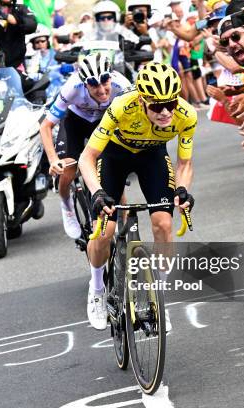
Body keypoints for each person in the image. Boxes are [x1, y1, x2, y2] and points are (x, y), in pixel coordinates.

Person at [78, 62, 197, 329]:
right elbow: (87, 156)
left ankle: (159, 299)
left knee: (164, 224)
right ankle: (96, 288)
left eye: (171, 104)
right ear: (142, 100)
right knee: (104, 231)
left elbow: (184, 164)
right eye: (156, 106)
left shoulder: (186, 115)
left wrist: (182, 189)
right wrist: (97, 193)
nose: (166, 112)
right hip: (114, 157)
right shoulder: (121, 106)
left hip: (151, 157)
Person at [39, 53, 131, 240]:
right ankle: (67, 206)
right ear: (84, 83)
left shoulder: (122, 85)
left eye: (104, 80)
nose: (101, 89)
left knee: (112, 170)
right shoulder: (71, 88)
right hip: (75, 121)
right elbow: (46, 126)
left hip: (104, 121)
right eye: (93, 84)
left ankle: (125, 222)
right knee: (68, 169)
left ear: (110, 76)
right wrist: (53, 159)